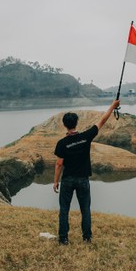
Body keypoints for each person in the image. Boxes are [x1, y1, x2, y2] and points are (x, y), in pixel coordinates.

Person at [53, 99, 121, 245]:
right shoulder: (86, 137)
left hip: (68, 180)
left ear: (65, 125)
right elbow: (102, 121)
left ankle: (63, 238)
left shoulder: (62, 143)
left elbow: (59, 164)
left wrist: (55, 182)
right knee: (85, 209)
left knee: (64, 210)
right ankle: (87, 238)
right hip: (83, 179)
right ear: (76, 123)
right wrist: (113, 106)